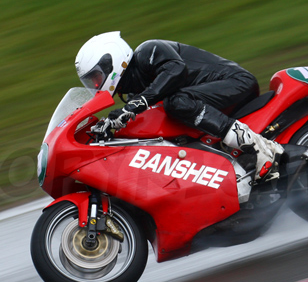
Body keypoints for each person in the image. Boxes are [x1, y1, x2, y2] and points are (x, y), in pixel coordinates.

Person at [75, 31, 284, 181]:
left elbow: (175, 71)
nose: (95, 83)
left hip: (235, 82)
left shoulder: (148, 51)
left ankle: (259, 147)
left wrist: (137, 104)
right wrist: (108, 127)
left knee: (176, 102)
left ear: (111, 61)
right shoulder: (131, 94)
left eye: (96, 76)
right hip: (207, 102)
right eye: (90, 80)